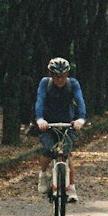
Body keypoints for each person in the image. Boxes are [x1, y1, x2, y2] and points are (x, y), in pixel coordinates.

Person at [35, 57, 87, 200]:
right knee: (48, 150)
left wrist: (80, 119)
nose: (60, 80)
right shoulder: (45, 83)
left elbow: (80, 100)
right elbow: (39, 101)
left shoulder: (73, 84)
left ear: (67, 75)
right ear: (51, 75)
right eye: (56, 76)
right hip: (48, 124)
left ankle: (71, 188)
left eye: (63, 76)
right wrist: (40, 119)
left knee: (66, 153)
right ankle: (43, 174)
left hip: (67, 124)